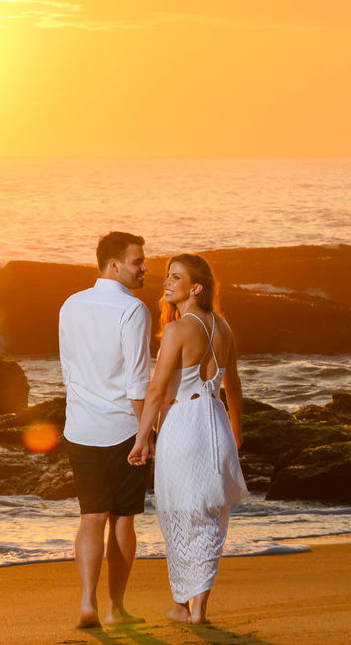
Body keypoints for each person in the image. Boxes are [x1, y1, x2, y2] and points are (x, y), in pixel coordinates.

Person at [128, 253, 247, 625]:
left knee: (178, 515)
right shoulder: (224, 328)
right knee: (210, 518)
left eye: (175, 277)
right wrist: (236, 433)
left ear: (195, 288)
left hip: (183, 426)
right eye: (167, 275)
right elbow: (234, 387)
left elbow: (155, 392)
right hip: (215, 424)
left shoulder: (179, 330)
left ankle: (185, 604)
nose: (166, 282)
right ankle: (194, 608)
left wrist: (141, 439)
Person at [59, 231, 152, 629]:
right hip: (121, 428)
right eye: (137, 261)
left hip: (79, 427)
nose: (144, 267)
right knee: (124, 519)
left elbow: (68, 366)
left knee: (91, 517)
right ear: (114, 265)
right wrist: (147, 434)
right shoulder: (133, 310)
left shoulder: (70, 304)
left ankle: (86, 603)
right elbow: (136, 383)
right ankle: (116, 606)